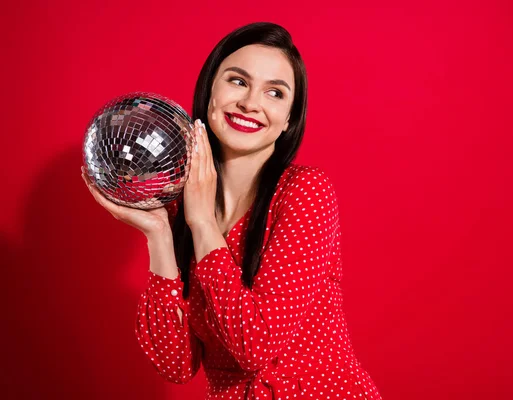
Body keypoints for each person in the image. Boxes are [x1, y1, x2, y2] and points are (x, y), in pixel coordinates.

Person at [81, 22, 382, 399]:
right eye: (238, 81)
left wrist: (203, 222)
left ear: (289, 118)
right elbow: (175, 364)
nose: (251, 103)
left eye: (274, 92)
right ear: (209, 89)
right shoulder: (180, 211)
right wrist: (158, 231)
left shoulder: (305, 192)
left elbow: (255, 345)